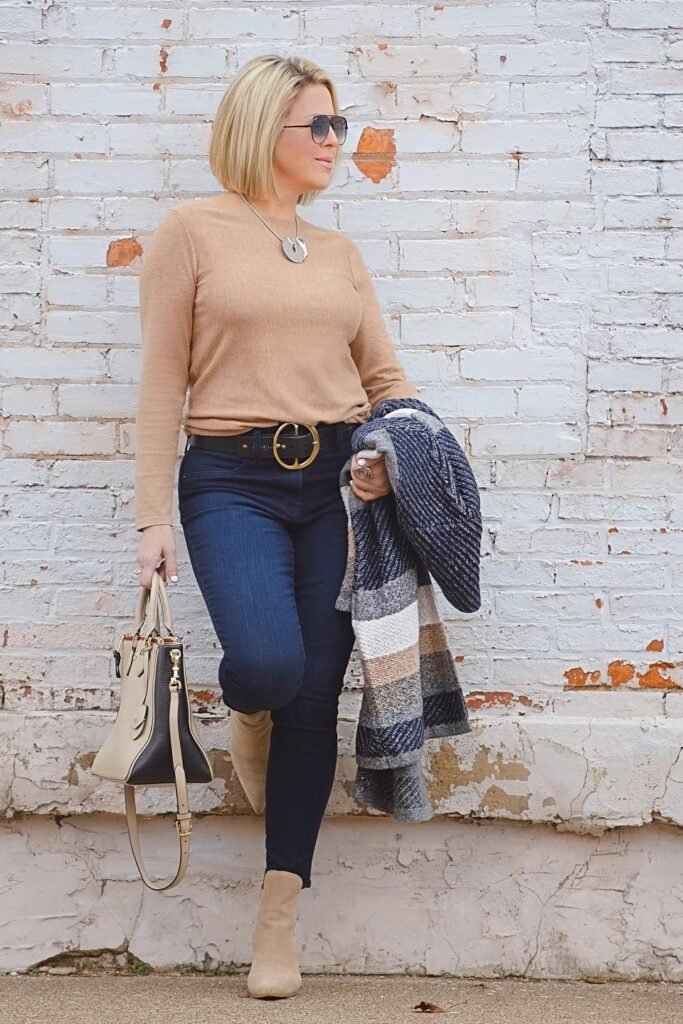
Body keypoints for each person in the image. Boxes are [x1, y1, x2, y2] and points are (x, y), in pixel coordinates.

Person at [133, 53, 417, 999]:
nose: (336, 141)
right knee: (264, 665)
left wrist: (389, 457)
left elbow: (386, 379)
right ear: (266, 129)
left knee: (312, 699)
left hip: (338, 486)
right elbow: (160, 383)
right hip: (230, 480)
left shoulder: (339, 252)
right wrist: (148, 519)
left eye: (339, 124)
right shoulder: (192, 231)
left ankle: (278, 911)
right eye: (319, 126)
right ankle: (245, 710)